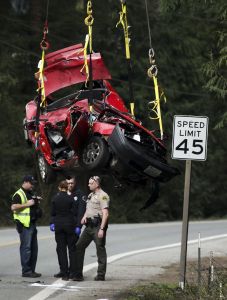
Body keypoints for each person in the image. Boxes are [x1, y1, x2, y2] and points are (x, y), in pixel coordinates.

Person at [74, 176, 110, 281]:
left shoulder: (103, 196)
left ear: (97, 184)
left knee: (100, 249)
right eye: (88, 183)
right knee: (79, 246)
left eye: (90, 183)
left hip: (98, 226)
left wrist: (102, 229)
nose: (88, 185)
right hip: (88, 226)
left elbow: (105, 213)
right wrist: (85, 216)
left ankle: (100, 275)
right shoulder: (90, 195)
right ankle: (78, 274)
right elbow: (89, 208)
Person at [11, 175, 42, 278]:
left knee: (34, 248)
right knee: (26, 248)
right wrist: (27, 204)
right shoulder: (18, 194)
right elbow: (14, 207)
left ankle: (32, 270)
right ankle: (26, 271)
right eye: (31, 183)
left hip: (32, 223)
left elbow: (31, 204)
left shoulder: (30, 193)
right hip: (24, 226)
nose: (33, 185)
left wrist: (36, 200)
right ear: (25, 182)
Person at [50, 180, 78, 281]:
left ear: (59, 188)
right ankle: (73, 273)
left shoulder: (55, 198)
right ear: (67, 188)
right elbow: (74, 212)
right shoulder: (71, 199)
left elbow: (53, 213)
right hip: (69, 225)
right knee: (71, 249)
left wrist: (52, 223)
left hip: (58, 225)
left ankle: (64, 273)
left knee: (61, 250)